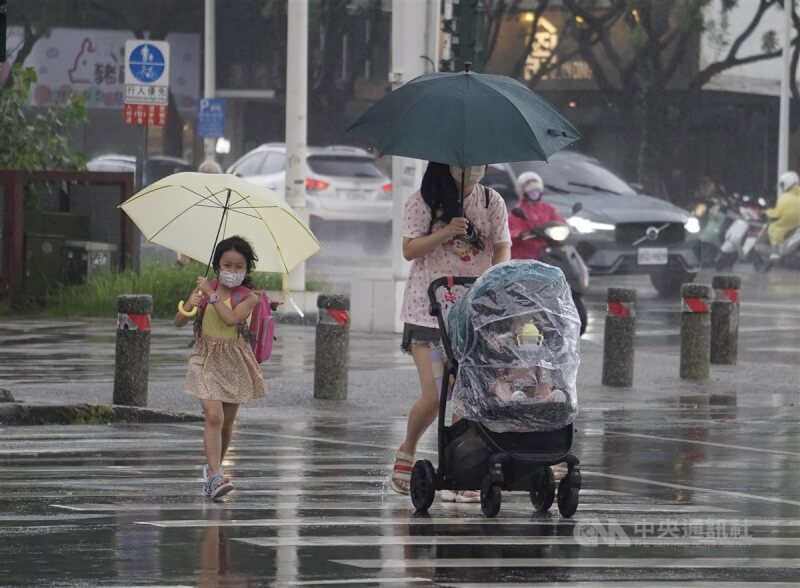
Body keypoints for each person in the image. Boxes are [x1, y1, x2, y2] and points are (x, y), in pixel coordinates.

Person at [390, 162, 511, 501]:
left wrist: (496, 277)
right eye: (466, 164)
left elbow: (502, 243)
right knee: (435, 396)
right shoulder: (423, 201)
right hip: (429, 312)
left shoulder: (491, 201)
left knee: (466, 397)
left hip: (474, 312)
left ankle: (461, 469)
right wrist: (446, 231)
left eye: (479, 165)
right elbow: (409, 249)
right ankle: (408, 448)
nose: (474, 170)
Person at [175, 236, 266, 500]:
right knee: (213, 416)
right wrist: (191, 303)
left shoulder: (250, 298)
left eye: (239, 266)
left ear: (247, 268)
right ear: (217, 265)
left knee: (226, 425)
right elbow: (178, 321)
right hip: (205, 357)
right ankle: (215, 475)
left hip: (234, 360)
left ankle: (214, 470)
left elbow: (230, 320)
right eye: (227, 265)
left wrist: (211, 294)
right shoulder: (206, 291)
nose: (232, 271)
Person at [508, 171, 563, 261]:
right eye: (531, 192)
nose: (535, 194)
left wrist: (566, 226)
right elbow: (510, 231)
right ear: (523, 192)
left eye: (536, 191)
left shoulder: (547, 208)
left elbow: (559, 220)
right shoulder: (516, 212)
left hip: (547, 251)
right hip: (525, 256)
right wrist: (521, 234)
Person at [767, 171, 800, 248]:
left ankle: (775, 253)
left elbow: (777, 213)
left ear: (788, 182)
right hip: (797, 225)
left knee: (773, 229)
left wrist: (767, 212)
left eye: (782, 184)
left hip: (789, 225)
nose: (782, 187)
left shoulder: (784, 197)